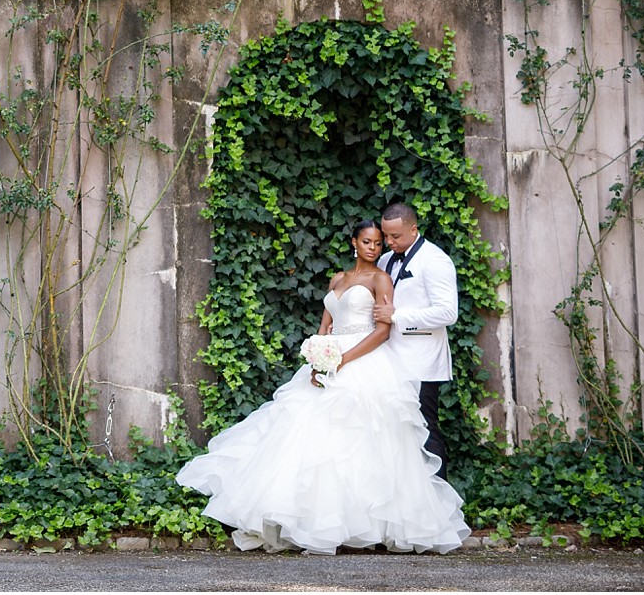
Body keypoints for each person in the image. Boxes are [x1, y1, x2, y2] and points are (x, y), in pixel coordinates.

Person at [176, 221, 469, 555]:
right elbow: (325, 325)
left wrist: (342, 360)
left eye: (378, 243)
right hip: (330, 359)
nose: (375, 248)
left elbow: (383, 331)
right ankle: (308, 519)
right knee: (306, 435)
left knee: (365, 440)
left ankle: (370, 526)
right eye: (368, 242)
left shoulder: (381, 277)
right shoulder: (338, 280)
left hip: (365, 361)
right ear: (354, 242)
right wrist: (319, 358)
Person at [371, 201, 458, 478]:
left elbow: (448, 312)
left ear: (413, 228)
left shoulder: (435, 260)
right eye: (386, 236)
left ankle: (440, 502)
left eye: (395, 236)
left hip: (422, 361)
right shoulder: (385, 261)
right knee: (395, 431)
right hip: (389, 360)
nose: (389, 242)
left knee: (424, 428)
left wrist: (398, 315)